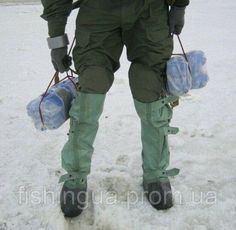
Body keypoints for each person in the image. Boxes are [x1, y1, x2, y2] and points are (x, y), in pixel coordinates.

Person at [41, 0, 189, 218]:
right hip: (98, 12)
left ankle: (155, 174)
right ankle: (75, 176)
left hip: (150, 11)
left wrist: (179, 5)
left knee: (150, 83)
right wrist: (56, 38)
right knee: (92, 81)